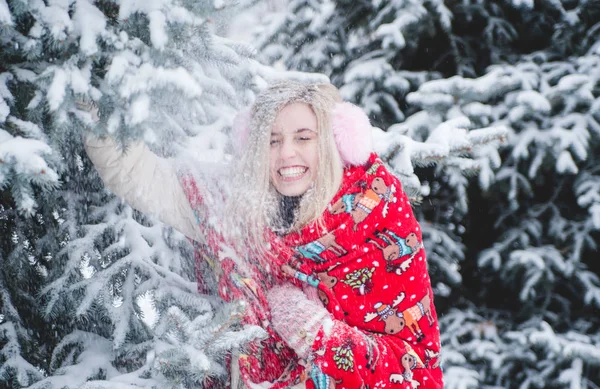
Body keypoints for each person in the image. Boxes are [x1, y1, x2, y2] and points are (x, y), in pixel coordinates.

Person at [83, 80, 443, 389]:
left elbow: (415, 369)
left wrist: (314, 331)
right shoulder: (240, 206)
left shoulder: (377, 208)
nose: (286, 153)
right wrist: (88, 98)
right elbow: (143, 177)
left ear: (335, 142)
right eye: (272, 141)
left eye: (303, 137)